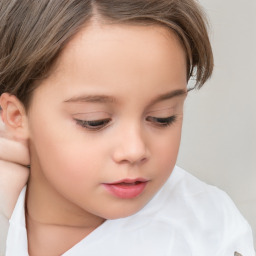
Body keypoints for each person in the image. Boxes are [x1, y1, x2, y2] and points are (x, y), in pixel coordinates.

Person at [0, 0, 254, 255]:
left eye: (162, 117)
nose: (134, 150)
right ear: (15, 116)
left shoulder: (210, 230)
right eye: (94, 121)